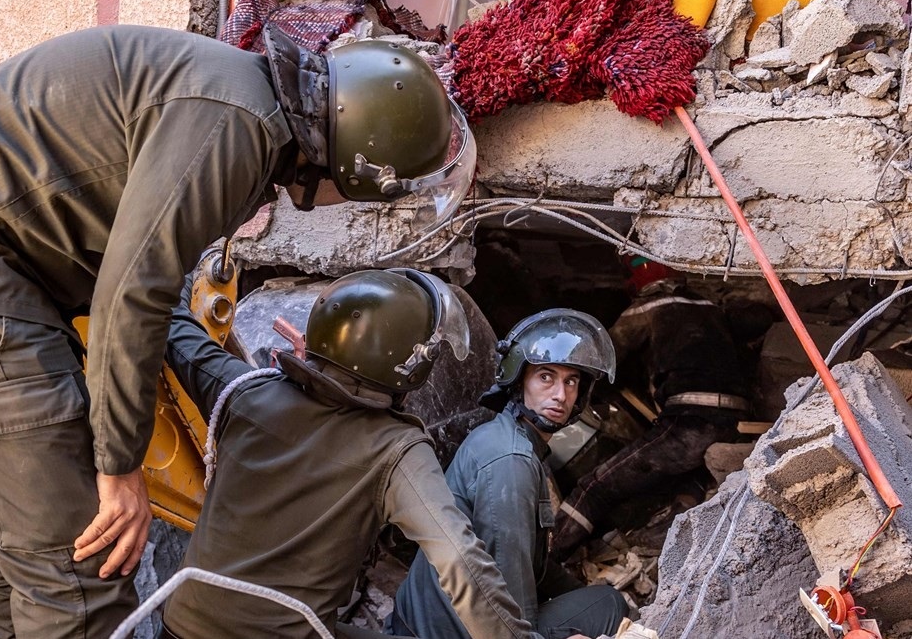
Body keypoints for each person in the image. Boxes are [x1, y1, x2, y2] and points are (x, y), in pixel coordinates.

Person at [0, 22, 476, 638]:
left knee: (23, 547)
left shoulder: (237, 96)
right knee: (84, 558)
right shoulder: (237, 125)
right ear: (359, 166)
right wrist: (119, 468)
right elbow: (133, 289)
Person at [160, 268, 537, 639]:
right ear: (408, 364)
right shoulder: (396, 450)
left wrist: (181, 262)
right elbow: (460, 562)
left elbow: (174, 330)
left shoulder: (245, 392)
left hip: (179, 625)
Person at [394, 309, 630, 639]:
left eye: (571, 381)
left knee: (596, 600)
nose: (560, 395)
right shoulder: (511, 460)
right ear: (519, 380)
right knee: (608, 604)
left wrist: (576, 593)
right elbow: (512, 602)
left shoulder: (511, 439)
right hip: (449, 631)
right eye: (546, 377)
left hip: (430, 622)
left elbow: (534, 569)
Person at [551, 257, 752, 559]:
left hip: (689, 420)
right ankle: (673, 529)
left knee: (595, 487)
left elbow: (604, 358)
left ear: (636, 283)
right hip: (737, 420)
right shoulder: (709, 306)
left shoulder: (647, 308)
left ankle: (548, 557)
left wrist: (581, 394)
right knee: (689, 475)